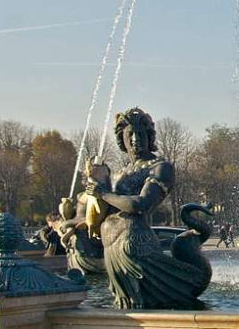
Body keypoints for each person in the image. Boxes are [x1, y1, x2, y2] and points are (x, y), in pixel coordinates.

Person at [85, 107, 212, 309]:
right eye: (130, 134)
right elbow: (103, 209)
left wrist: (103, 194)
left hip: (137, 250)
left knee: (148, 306)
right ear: (121, 138)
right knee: (128, 306)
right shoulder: (119, 174)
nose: (136, 139)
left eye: (141, 134)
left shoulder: (160, 167)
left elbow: (140, 204)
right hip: (112, 250)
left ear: (150, 136)